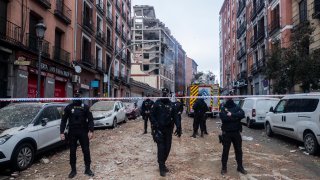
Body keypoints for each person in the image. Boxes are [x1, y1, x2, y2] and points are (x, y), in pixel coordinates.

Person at [60, 90, 95, 178]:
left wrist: (91, 131)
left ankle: (87, 169)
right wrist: (61, 132)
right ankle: (73, 170)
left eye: (78, 96)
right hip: (72, 132)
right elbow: (63, 121)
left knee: (86, 150)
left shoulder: (86, 107)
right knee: (72, 151)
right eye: (75, 96)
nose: (77, 97)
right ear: (73, 97)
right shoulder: (68, 107)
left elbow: (90, 119)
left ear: (81, 97)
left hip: (83, 131)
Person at [150, 88, 181, 177]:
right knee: (161, 148)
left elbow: (175, 117)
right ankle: (161, 167)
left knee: (167, 148)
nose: (164, 94)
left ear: (168, 95)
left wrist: (178, 127)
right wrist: (155, 125)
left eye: (165, 93)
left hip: (168, 130)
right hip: (159, 130)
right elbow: (152, 115)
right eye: (163, 93)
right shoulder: (157, 104)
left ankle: (162, 163)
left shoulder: (171, 105)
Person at [219, 94, 247, 175]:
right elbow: (223, 118)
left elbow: (242, 114)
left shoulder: (236, 107)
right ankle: (224, 168)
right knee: (225, 151)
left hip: (236, 132)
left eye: (228, 97)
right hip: (227, 133)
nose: (227, 99)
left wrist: (232, 115)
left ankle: (240, 167)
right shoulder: (223, 108)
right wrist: (235, 118)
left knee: (239, 150)